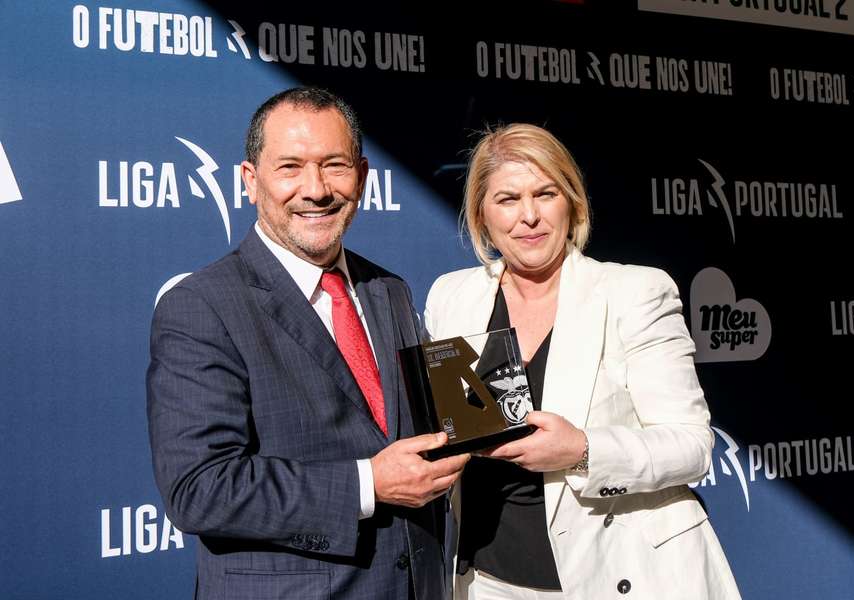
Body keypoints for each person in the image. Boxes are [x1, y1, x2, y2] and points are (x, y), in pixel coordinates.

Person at [147, 87, 468, 600]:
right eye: (290, 167)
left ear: (361, 177)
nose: (315, 189)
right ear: (250, 181)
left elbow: (438, 420)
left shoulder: (389, 290)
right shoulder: (202, 306)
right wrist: (369, 484)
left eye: (335, 165)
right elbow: (199, 490)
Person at [424, 124, 741, 599]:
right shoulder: (452, 297)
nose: (528, 216)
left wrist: (583, 450)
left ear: (571, 203)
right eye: (507, 199)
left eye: (545, 193)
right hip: (486, 582)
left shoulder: (634, 292)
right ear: (482, 215)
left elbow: (693, 446)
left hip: (619, 576)